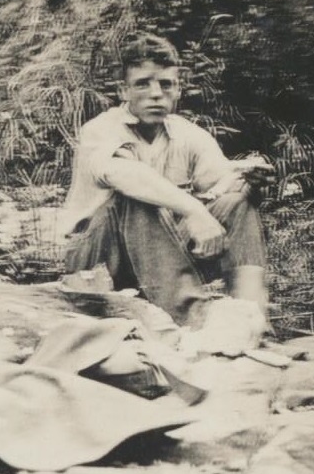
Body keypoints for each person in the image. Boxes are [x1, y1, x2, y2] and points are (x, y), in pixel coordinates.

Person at [58, 32, 273, 326]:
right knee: (135, 198)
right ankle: (194, 320)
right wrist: (194, 210)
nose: (156, 94)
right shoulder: (100, 129)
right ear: (123, 91)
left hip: (159, 258)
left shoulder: (187, 134)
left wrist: (249, 182)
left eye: (166, 84)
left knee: (238, 205)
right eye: (142, 84)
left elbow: (219, 185)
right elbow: (126, 175)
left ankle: (251, 318)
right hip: (98, 259)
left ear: (178, 89)